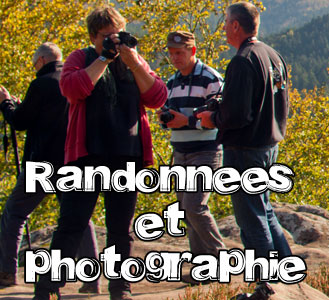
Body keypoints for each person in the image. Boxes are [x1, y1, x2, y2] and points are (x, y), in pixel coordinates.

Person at [33, 6, 167, 300]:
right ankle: (47, 288)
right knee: (71, 224)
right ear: (94, 36)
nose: (113, 41)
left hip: (127, 155)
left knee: (120, 228)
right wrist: (104, 58)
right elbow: (71, 89)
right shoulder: (80, 58)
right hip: (87, 157)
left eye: (117, 35)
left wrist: (133, 61)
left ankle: (121, 288)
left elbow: (157, 96)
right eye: (106, 36)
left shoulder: (133, 61)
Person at [0, 43, 100, 293]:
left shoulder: (41, 83)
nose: (35, 68)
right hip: (73, 158)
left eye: (35, 64)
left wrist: (6, 103)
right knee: (78, 216)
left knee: (15, 212)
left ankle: (6, 272)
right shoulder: (74, 80)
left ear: (42, 60)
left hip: (43, 162)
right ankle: (92, 279)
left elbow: (20, 121)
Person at [197, 1, 292, 264]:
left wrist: (211, 118)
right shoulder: (273, 55)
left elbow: (238, 115)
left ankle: (264, 282)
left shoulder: (242, 60)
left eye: (226, 22)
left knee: (251, 219)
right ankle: (285, 273)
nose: (224, 27)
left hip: (245, 150)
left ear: (236, 25)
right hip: (268, 146)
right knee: (264, 210)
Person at [160, 31, 227, 261]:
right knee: (187, 210)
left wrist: (186, 120)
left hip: (206, 151)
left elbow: (218, 118)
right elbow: (169, 119)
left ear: (193, 51)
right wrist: (165, 118)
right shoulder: (171, 82)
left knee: (194, 206)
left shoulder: (211, 79)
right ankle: (202, 264)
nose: (175, 58)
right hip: (180, 152)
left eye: (179, 53)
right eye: (171, 53)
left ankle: (221, 258)